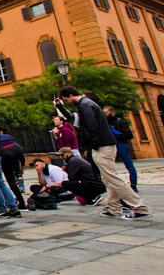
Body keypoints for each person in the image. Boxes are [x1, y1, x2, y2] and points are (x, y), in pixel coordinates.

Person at [57, 87, 150, 219]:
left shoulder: (85, 105)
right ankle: (114, 208)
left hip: (102, 146)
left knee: (112, 178)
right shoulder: (87, 104)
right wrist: (60, 107)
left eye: (66, 99)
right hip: (105, 145)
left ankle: (139, 207)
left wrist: (93, 146)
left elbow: (91, 126)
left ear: (71, 95)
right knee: (108, 178)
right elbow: (75, 119)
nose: (67, 102)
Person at [104, 106, 138, 192]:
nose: (104, 114)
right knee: (109, 166)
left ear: (112, 112)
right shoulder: (104, 123)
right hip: (110, 145)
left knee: (129, 164)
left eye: (106, 112)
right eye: (103, 112)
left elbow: (129, 135)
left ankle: (133, 184)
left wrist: (117, 135)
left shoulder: (120, 122)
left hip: (121, 144)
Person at [0, 129, 26, 209]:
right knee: (15, 161)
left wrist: (2, 166)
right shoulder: (8, 136)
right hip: (17, 149)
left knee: (11, 181)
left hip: (5, 153)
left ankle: (22, 203)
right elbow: (22, 158)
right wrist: (22, 168)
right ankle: (18, 175)